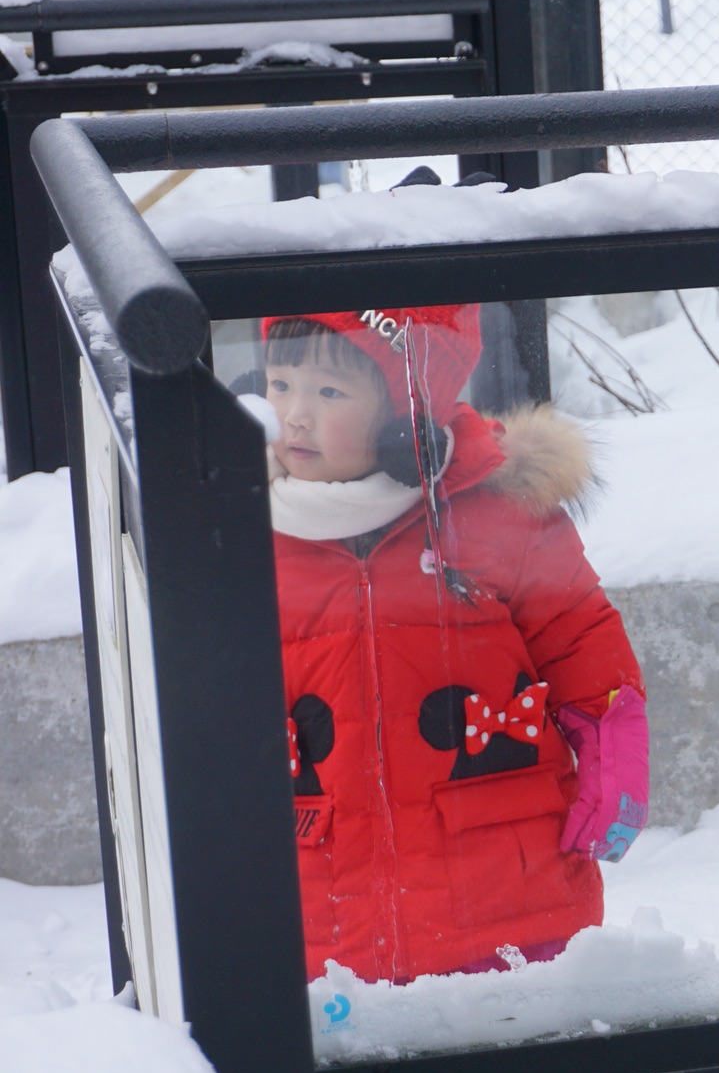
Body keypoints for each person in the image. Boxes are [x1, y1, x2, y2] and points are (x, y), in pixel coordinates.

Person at [258, 304, 649, 984]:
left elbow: (579, 633)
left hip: (504, 891)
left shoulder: (493, 513)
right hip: (325, 906)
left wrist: (613, 752)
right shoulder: (250, 532)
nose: (295, 414)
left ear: (404, 415)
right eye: (280, 383)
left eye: (328, 392)